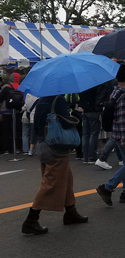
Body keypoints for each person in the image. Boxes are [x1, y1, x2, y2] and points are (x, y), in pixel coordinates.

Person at [22, 94, 88, 235]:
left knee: (66, 178)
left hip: (42, 144)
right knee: (50, 183)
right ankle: (31, 219)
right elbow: (66, 122)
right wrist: (76, 114)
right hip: (55, 147)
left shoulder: (41, 101)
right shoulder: (59, 100)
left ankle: (71, 211)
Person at [96, 64, 125, 206]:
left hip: (115, 132)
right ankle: (108, 187)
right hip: (123, 133)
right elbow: (123, 119)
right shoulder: (124, 96)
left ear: (116, 77)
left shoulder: (115, 92)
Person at [78, 79, 115, 163]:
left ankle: (85, 157)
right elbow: (101, 95)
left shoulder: (82, 84)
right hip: (95, 110)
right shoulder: (96, 85)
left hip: (84, 110)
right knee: (94, 134)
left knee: (85, 134)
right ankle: (92, 156)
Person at [0, 72, 21, 154]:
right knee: (17, 131)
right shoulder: (21, 88)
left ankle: (6, 149)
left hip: (6, 113)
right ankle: (17, 148)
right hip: (17, 112)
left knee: (6, 131)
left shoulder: (6, 88)